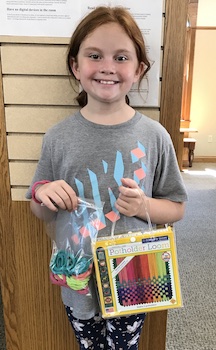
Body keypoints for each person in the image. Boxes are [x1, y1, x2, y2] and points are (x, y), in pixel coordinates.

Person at [26, 6, 188, 350]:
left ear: (139, 68)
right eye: (95, 55)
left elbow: (176, 208)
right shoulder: (58, 137)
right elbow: (39, 211)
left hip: (134, 275)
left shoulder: (155, 136)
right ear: (76, 65)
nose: (107, 67)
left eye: (121, 57)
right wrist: (44, 194)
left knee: (125, 346)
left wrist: (144, 204)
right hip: (77, 274)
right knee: (89, 345)